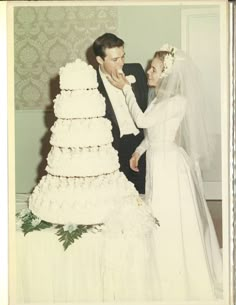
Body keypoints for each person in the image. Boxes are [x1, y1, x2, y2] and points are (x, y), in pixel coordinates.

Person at [107, 44, 223, 301]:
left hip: (170, 167)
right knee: (158, 216)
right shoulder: (159, 98)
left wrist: (126, 89)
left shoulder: (178, 102)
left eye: (155, 69)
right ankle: (161, 271)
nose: (149, 71)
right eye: (152, 67)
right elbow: (153, 133)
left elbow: (143, 122)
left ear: (167, 75)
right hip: (158, 163)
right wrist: (138, 151)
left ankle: (178, 279)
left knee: (170, 219)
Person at [92, 33, 147, 194]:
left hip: (142, 142)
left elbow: (147, 105)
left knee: (144, 193)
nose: (121, 63)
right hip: (114, 147)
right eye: (115, 59)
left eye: (123, 56)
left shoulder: (135, 70)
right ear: (100, 60)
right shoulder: (90, 82)